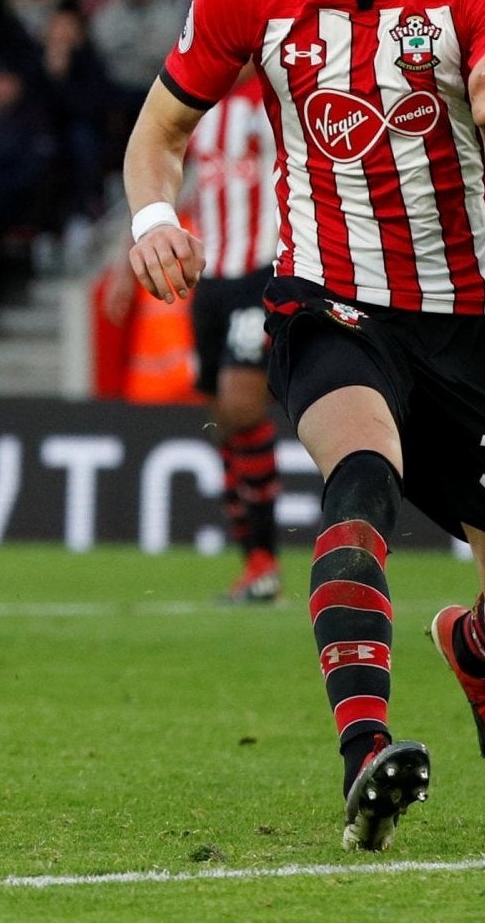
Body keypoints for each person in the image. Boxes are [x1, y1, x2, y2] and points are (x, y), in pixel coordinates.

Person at [125, 0, 485, 852]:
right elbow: (159, 134)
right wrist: (150, 219)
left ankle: (470, 651)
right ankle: (367, 753)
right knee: (359, 482)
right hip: (334, 297)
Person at [184, 65, 284, 604]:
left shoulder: (273, 102)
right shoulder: (197, 108)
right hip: (210, 280)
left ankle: (266, 559)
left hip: (258, 275)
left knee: (242, 406)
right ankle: (253, 563)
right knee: (221, 421)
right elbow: (181, 183)